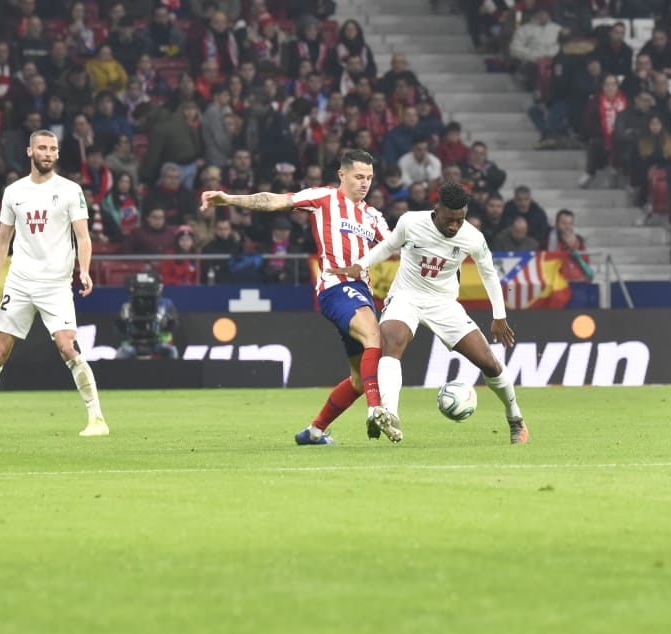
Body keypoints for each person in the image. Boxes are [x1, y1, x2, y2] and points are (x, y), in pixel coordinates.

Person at [200, 149, 396, 443]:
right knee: (374, 337)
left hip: (361, 292)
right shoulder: (324, 198)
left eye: (368, 177)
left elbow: (399, 246)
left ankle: (314, 432)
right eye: (358, 176)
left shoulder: (374, 217)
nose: (364, 183)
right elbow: (275, 200)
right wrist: (229, 199)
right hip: (335, 286)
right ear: (342, 175)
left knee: (358, 379)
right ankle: (375, 410)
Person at [323, 181, 528, 445]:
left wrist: (499, 316)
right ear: (437, 208)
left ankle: (515, 418)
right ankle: (390, 414)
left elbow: (489, 273)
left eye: (460, 220)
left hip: (443, 303)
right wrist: (361, 265)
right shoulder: (411, 222)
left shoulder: (472, 237)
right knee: (391, 344)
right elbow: (388, 246)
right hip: (406, 296)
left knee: (488, 361)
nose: (455, 226)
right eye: (450, 220)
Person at [0, 130, 104, 439]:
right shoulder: (14, 192)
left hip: (56, 285)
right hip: (20, 282)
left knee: (69, 347)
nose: (48, 153)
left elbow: (83, 235)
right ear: (29, 152)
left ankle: (97, 419)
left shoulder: (70, 190)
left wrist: (85, 270)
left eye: (53, 148)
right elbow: (2, 242)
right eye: (42, 148)